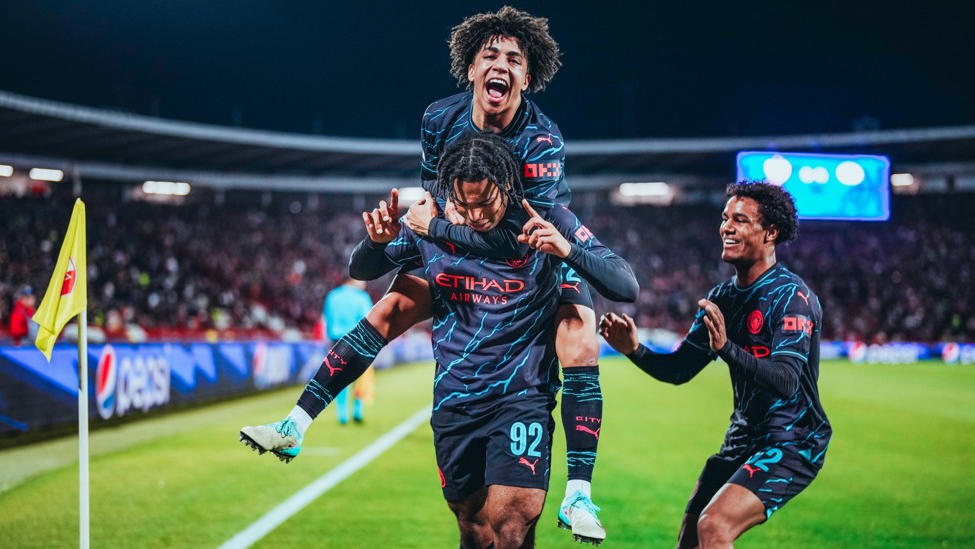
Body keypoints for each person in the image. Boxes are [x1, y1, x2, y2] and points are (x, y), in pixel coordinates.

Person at [246, 7, 613, 544]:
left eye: (514, 59)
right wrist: (401, 237)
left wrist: (438, 228)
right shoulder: (439, 120)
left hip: (536, 247)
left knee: (579, 332)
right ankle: (295, 424)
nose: (501, 65)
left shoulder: (542, 141)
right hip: (458, 232)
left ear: (527, 76)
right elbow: (435, 194)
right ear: (471, 67)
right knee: (389, 308)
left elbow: (518, 232)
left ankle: (579, 491)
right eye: (490, 55)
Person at [599, 181, 832, 549]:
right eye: (725, 218)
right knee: (691, 539)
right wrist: (634, 350)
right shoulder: (722, 297)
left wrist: (726, 349)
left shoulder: (792, 297)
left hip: (791, 440)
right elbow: (679, 370)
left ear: (770, 233)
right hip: (743, 439)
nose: (727, 227)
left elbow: (786, 381)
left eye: (740, 220)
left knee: (714, 525)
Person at [322, 278, 374, 424]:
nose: (365, 284)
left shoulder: (332, 295)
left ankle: (342, 414)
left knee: (339, 377)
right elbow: (369, 320)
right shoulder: (362, 297)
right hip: (358, 340)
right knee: (361, 376)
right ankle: (358, 410)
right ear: (353, 280)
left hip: (336, 340)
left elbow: (326, 319)